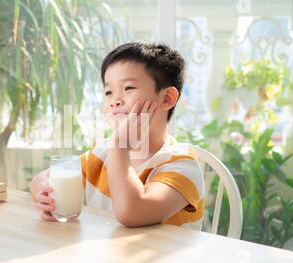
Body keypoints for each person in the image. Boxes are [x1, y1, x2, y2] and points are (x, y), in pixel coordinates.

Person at [30, 41, 205, 229]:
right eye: (108, 92)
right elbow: (41, 178)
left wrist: (120, 144)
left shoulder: (181, 166)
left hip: (159, 258)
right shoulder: (102, 154)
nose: (115, 101)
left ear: (167, 98)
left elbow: (132, 213)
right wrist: (47, 194)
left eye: (128, 88)